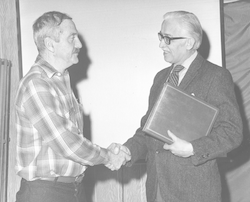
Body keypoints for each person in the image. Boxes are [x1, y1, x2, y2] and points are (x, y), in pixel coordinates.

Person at [108, 11, 243, 202]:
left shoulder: (216, 76)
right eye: (161, 36)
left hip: (195, 192)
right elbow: (148, 130)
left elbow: (232, 131)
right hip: (157, 189)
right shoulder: (160, 78)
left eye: (167, 39)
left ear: (189, 42)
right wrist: (127, 151)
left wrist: (192, 148)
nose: (161, 44)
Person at [14, 11, 130, 202]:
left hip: (72, 189)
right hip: (45, 194)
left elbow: (72, 141)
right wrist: (107, 156)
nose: (79, 45)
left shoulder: (60, 81)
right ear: (50, 44)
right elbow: (66, 143)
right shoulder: (36, 84)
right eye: (72, 38)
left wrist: (106, 154)